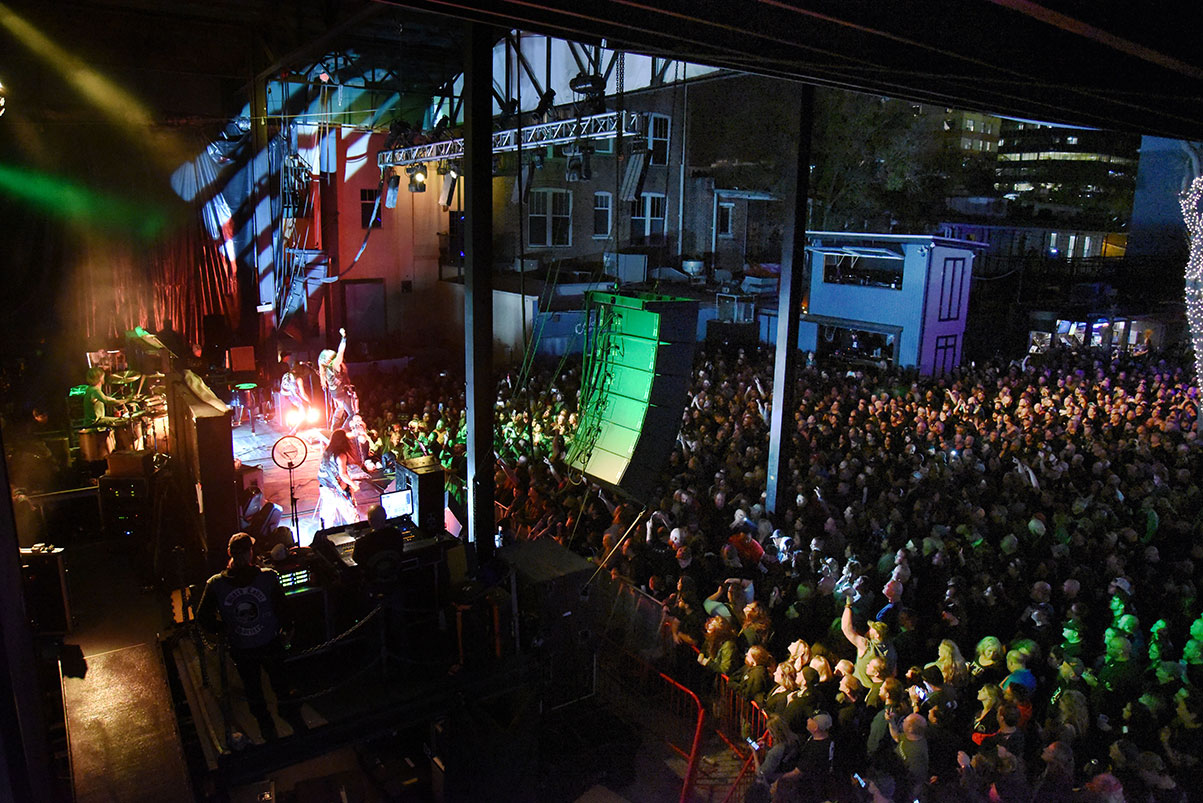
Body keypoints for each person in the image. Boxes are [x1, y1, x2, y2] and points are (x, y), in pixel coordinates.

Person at [196, 532, 304, 740]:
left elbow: (203, 617)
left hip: (242, 648)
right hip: (270, 643)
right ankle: (291, 717)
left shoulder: (215, 584)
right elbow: (284, 609)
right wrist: (287, 631)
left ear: (229, 553)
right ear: (250, 552)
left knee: (253, 689)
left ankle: (266, 728)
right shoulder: (267, 577)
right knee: (280, 684)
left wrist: (226, 630)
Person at [317, 429, 360, 527]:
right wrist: (354, 486)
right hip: (335, 489)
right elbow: (343, 474)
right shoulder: (340, 455)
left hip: (324, 486)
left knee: (327, 517)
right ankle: (357, 533)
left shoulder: (328, 451)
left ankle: (325, 536)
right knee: (351, 515)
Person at [318, 327, 357, 430]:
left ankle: (333, 428)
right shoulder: (334, 365)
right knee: (352, 414)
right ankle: (342, 432)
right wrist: (343, 338)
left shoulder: (325, 369)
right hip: (341, 393)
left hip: (335, 393)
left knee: (340, 408)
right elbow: (341, 352)